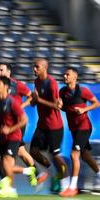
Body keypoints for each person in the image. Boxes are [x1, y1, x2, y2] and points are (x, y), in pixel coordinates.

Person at [0, 63, 41, 185]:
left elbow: (32, 98)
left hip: (17, 122)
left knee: (9, 158)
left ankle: (10, 185)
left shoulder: (17, 85)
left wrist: (21, 106)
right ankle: (35, 173)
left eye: (1, 70)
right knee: (19, 151)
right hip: (6, 123)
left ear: (9, 72)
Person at [58, 67, 100, 197]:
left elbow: (96, 103)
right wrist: (61, 108)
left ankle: (73, 187)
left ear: (75, 77)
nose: (65, 76)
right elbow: (67, 108)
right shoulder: (62, 92)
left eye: (67, 74)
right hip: (74, 128)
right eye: (64, 74)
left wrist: (84, 110)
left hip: (84, 127)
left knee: (74, 155)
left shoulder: (83, 91)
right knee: (86, 156)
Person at [30, 58, 69, 193]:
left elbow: (56, 106)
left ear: (45, 68)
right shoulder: (36, 81)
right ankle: (51, 171)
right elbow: (35, 102)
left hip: (54, 127)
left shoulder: (51, 84)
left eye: (37, 67)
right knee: (33, 151)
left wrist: (39, 99)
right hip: (42, 125)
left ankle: (66, 184)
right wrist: (34, 101)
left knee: (56, 155)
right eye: (34, 67)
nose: (34, 69)